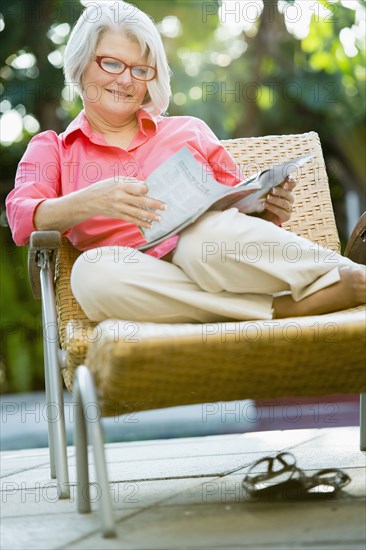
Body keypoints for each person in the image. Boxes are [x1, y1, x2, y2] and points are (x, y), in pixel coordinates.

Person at [6, 1, 365, 324]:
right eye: (112, 63)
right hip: (143, 279)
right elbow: (21, 216)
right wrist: (91, 201)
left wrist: (268, 210)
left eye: (141, 70)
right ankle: (282, 308)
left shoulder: (189, 131)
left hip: (211, 256)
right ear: (82, 64)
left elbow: (240, 210)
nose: (126, 80)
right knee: (91, 273)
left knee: (199, 242)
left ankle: (348, 274)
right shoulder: (54, 149)